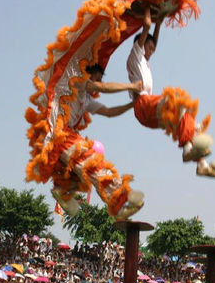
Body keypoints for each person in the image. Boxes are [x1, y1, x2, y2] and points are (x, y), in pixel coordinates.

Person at [126, 7, 215, 177]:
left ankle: (200, 164)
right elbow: (146, 25)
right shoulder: (136, 55)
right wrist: (150, 7)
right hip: (143, 105)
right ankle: (189, 144)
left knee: (183, 118)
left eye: (152, 49)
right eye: (148, 48)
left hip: (148, 114)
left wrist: (160, 22)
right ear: (141, 45)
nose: (151, 51)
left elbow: (154, 41)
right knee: (179, 101)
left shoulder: (145, 60)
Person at [46, 64, 145, 219]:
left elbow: (109, 112)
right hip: (60, 135)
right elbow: (102, 87)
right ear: (88, 74)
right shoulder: (75, 82)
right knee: (93, 164)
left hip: (66, 137)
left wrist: (133, 104)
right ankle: (120, 199)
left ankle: (63, 191)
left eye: (99, 79)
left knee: (80, 174)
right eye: (96, 78)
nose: (97, 83)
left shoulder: (86, 99)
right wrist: (131, 86)